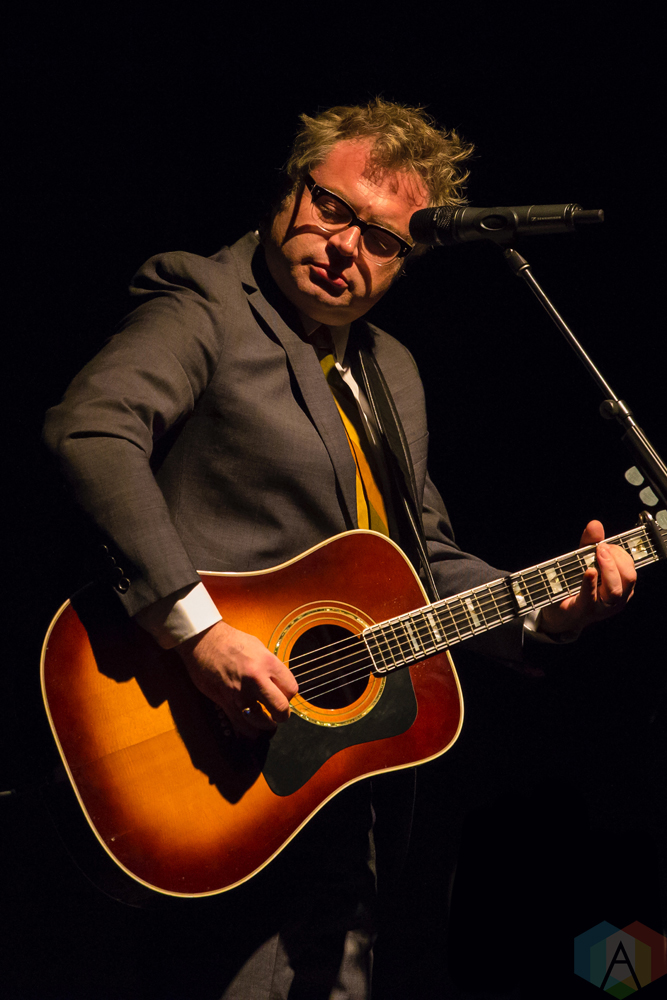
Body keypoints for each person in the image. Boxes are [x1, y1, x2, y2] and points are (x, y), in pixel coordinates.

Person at [43, 99, 636, 999]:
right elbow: (92, 432)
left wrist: (550, 609)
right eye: (331, 209)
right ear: (290, 190)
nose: (344, 246)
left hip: (333, 786)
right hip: (193, 754)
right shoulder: (206, 300)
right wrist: (197, 633)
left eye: (382, 240)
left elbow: (421, 559)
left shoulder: (390, 369)